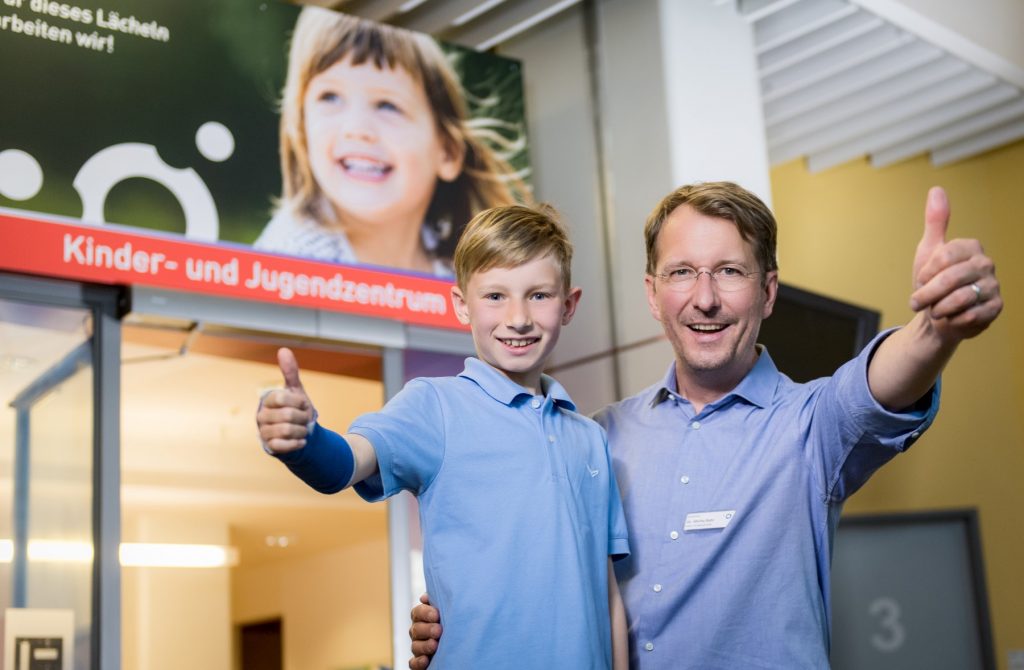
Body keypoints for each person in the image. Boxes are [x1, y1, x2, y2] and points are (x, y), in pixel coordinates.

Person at [409, 181, 1002, 669]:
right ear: (652, 293)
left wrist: (937, 329)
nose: (705, 298)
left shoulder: (809, 427)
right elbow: (530, 566)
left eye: (730, 272)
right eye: (682, 273)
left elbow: (875, 388)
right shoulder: (595, 437)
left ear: (768, 292)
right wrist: (457, 623)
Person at [257, 203, 630, 668]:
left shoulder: (589, 438)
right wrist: (303, 442)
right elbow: (347, 463)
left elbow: (608, 594)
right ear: (461, 305)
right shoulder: (434, 406)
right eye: (495, 296)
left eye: (538, 295)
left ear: (569, 305)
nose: (518, 317)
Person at [254, 6, 530, 276]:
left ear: (446, 152)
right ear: (301, 129)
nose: (357, 129)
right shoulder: (291, 259)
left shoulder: (462, 269)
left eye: (387, 105)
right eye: (330, 97)